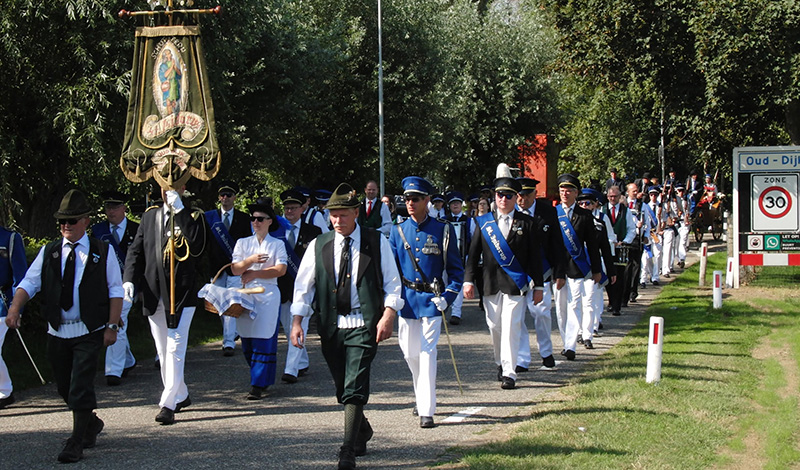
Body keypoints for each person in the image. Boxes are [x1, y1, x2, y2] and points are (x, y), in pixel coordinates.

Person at [290, 183, 404, 470]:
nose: (338, 220)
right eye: (333, 215)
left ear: (356, 213)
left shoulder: (375, 241)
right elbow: (303, 286)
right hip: (331, 325)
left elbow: (392, 283)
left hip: (365, 324)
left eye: (343, 214)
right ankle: (361, 429)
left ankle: (347, 450)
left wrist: (388, 315)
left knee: (354, 385)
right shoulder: (319, 245)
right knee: (342, 386)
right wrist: (297, 321)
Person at [6, 189, 122, 462]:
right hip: (58, 330)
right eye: (61, 222)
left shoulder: (102, 251)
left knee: (81, 385)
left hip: (89, 330)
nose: (66, 226)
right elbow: (29, 284)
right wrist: (14, 308)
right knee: (64, 387)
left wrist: (112, 326)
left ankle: (76, 441)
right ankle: (90, 423)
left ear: (85, 221)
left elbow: (116, 290)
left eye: (71, 221)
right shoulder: (50, 251)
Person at [123, 186, 206, 425]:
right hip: (153, 292)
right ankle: (181, 394)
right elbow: (136, 251)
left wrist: (181, 213)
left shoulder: (194, 215)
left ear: (183, 188)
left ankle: (167, 404)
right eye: (165, 186)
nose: (169, 190)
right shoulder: (150, 216)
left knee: (174, 348)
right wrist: (128, 279)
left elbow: (198, 247)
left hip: (181, 293)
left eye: (175, 186)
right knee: (162, 350)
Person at [390, 177, 463, 428]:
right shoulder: (397, 230)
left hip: (432, 300)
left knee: (427, 352)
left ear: (427, 200)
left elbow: (455, 270)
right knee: (410, 354)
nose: (410, 203)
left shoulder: (443, 229)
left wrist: (448, 297)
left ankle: (426, 409)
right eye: (407, 199)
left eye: (416, 199)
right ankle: (422, 394)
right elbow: (392, 271)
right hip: (407, 301)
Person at [463, 173, 544, 390]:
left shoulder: (527, 223)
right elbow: (473, 254)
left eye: (508, 196)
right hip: (490, 283)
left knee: (511, 326)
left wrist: (539, 285)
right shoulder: (484, 222)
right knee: (494, 325)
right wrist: (468, 280)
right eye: (500, 195)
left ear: (515, 197)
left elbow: (535, 257)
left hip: (515, 284)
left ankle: (510, 371)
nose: (503, 200)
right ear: (494, 197)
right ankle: (500, 361)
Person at [229, 199, 287, 399]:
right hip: (246, 295)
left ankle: (258, 384)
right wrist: (250, 261)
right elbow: (235, 268)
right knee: (247, 340)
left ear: (270, 221)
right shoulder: (243, 243)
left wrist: (255, 273)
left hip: (268, 294)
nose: (256, 222)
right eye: (253, 219)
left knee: (264, 338)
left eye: (260, 219)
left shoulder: (277, 244)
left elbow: (281, 269)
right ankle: (260, 377)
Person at [514, 177, 565, 371]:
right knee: (517, 317)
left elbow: (556, 244)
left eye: (526, 195)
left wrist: (559, 271)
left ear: (535, 194)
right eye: (519, 195)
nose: (522, 199)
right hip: (518, 271)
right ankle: (522, 358)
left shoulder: (548, 212)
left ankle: (546, 352)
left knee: (541, 313)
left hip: (541, 271)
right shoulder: (511, 212)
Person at [551, 174, 602, 361]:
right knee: (560, 308)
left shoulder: (585, 215)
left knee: (574, 305)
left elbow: (593, 245)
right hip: (557, 267)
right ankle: (566, 340)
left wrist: (596, 269)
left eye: (569, 190)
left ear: (576, 193)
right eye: (562, 190)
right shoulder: (553, 213)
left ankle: (570, 345)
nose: (565, 193)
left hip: (576, 267)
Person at [91, 191, 139, 385]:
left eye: (115, 207)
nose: (110, 211)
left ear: (124, 208)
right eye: (108, 207)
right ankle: (128, 360)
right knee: (117, 322)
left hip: (129, 285)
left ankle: (114, 370)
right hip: (107, 284)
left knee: (117, 321)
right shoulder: (97, 230)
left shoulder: (136, 229)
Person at [277, 189, 321, 384]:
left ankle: (291, 369)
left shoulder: (314, 232)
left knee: (299, 326)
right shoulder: (276, 231)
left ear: (302, 209)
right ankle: (302, 363)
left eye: (293, 208)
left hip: (304, 288)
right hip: (282, 287)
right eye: (286, 208)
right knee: (289, 329)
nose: (289, 211)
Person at [205, 181, 252, 357]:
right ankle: (232, 333)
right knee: (219, 304)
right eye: (222, 195)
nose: (225, 198)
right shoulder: (209, 217)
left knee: (231, 302)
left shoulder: (244, 218)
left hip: (235, 268)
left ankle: (228, 342)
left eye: (229, 195)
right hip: (216, 267)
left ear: (234, 197)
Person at [576, 189, 616, 349]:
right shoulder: (573, 222)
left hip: (593, 267)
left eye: (588, 203)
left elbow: (606, 248)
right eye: (581, 203)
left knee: (590, 300)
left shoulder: (600, 224)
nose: (584, 206)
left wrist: (611, 270)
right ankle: (578, 331)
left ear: (594, 205)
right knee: (576, 302)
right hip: (576, 267)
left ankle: (587, 335)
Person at [0, 224, 27, 409]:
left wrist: (17, 309)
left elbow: (21, 277)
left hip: (2, 304)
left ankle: (5, 391)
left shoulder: (9, 238)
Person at [601, 185, 637, 316]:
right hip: (607, 248)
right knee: (609, 276)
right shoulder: (602, 210)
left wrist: (625, 241)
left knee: (620, 276)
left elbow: (632, 229)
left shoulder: (626, 211)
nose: (612, 199)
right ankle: (611, 301)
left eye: (615, 196)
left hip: (621, 248)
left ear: (620, 196)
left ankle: (617, 306)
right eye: (610, 196)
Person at [444, 191, 470, 325]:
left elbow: (471, 239)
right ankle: (443, 308)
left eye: (458, 203)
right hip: (444, 257)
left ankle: (456, 313)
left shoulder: (469, 221)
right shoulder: (443, 220)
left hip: (462, 256)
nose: (455, 205)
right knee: (443, 282)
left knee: (457, 283)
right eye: (453, 203)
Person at [640, 186, 662, 288]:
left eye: (655, 195)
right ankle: (643, 278)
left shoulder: (661, 206)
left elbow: (660, 221)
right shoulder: (646, 207)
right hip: (648, 234)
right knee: (646, 258)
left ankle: (655, 277)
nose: (653, 196)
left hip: (656, 234)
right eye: (651, 195)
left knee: (657, 255)